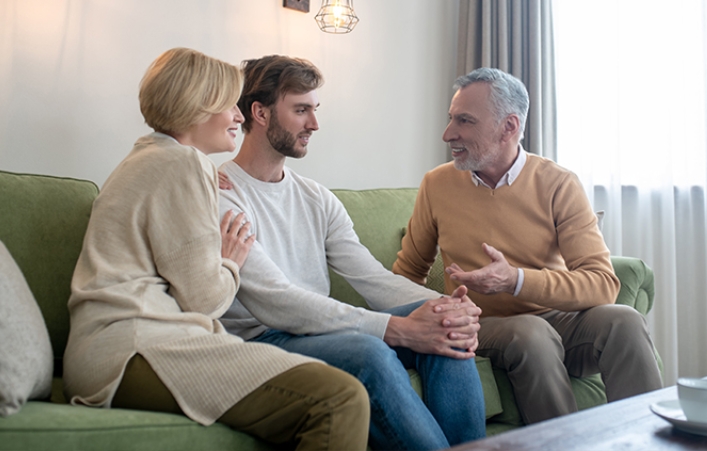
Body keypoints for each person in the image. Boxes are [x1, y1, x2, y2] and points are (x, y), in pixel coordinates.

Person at [63, 47, 370, 450]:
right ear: (198, 106)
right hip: (134, 347)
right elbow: (204, 301)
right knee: (339, 397)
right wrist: (229, 262)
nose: (239, 116)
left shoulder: (152, 158)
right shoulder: (181, 164)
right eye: (230, 105)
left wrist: (204, 180)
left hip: (108, 350)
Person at [217, 55, 486, 451]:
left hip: (319, 330)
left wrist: (447, 307)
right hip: (263, 340)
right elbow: (277, 301)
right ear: (259, 112)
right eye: (301, 110)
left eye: (315, 110)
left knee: (446, 327)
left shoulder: (316, 198)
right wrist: (396, 328)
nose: (314, 124)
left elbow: (372, 278)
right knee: (368, 351)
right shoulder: (223, 194)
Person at [392, 67, 663, 425]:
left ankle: (648, 438)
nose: (448, 133)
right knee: (531, 333)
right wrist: (420, 319)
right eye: (451, 119)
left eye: (465, 121)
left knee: (623, 321)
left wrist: (516, 280)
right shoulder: (437, 184)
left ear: (509, 127)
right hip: (484, 323)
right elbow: (408, 272)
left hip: (556, 318)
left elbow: (602, 284)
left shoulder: (557, 183)